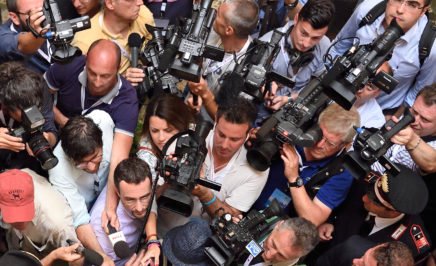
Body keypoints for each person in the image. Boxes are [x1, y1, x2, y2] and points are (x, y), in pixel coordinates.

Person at [44, 40, 139, 235]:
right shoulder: (67, 66)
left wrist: (110, 208)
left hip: (96, 161)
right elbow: (40, 95)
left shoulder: (127, 99)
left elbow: (118, 160)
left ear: (119, 69)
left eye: (105, 76)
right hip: (59, 142)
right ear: (85, 62)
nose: (96, 81)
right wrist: (65, 123)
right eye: (92, 73)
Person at [158, 97, 269, 235]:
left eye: (234, 139)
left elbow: (232, 217)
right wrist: (170, 175)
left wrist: (204, 194)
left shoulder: (255, 169)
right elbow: (153, 194)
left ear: (248, 134)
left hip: (199, 245)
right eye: (221, 134)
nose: (224, 145)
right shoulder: (187, 141)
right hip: (163, 229)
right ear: (215, 121)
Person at [253, 103, 360, 226]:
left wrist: (294, 178)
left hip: (278, 230)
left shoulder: (342, 171)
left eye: (330, 144)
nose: (319, 144)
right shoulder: (294, 128)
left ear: (346, 145)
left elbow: (313, 219)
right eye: (319, 135)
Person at [329, 0, 435, 113]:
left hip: (379, 112)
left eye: (412, 5)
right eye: (397, 0)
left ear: (423, 10)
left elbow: (419, 92)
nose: (400, 10)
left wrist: (394, 118)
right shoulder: (367, 10)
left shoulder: (431, 46)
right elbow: (339, 47)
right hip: (334, 94)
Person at [316, 166, 431, 265]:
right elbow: (338, 200)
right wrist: (330, 221)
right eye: (369, 192)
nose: (364, 198)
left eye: (374, 201)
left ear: (393, 211)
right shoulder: (363, 180)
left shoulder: (413, 245)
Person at [255, 0, 335, 126]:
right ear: (297, 18)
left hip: (291, 120)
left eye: (315, 38)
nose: (306, 43)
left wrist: (290, 99)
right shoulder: (268, 42)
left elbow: (318, 84)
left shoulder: (324, 44)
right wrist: (261, 86)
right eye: (304, 33)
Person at [186, 0, 259, 119]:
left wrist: (205, 95)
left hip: (211, 129)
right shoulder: (212, 32)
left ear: (228, 30)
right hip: (190, 106)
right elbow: (199, 60)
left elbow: (228, 122)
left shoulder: (248, 67)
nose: (214, 15)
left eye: (218, 15)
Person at [162, 216, 319, 266]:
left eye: (282, 256)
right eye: (272, 245)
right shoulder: (258, 223)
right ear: (277, 226)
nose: (270, 255)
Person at [90, 157, 160, 266]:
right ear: (117, 193)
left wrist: (151, 242)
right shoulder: (102, 228)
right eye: (130, 200)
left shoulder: (143, 188)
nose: (140, 208)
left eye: (145, 197)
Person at [0, 168, 79, 260]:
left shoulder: (59, 225)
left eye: (23, 212)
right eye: (11, 213)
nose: (18, 221)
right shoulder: (7, 182)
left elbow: (77, 257)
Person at [0, 62, 57, 176]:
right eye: (26, 112)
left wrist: (47, 140)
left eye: (36, 108)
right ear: (6, 106)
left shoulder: (39, 88)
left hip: (25, 157)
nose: (33, 114)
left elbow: (51, 130)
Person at [71, 0, 154, 74]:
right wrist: (123, 82)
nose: (140, 2)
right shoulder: (84, 41)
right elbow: (90, 85)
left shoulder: (142, 14)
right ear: (110, 3)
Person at [0, 0, 51, 73]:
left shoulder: (52, 10)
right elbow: (23, 45)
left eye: (43, 8)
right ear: (14, 17)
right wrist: (38, 33)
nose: (42, 16)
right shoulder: (4, 38)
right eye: (31, 13)